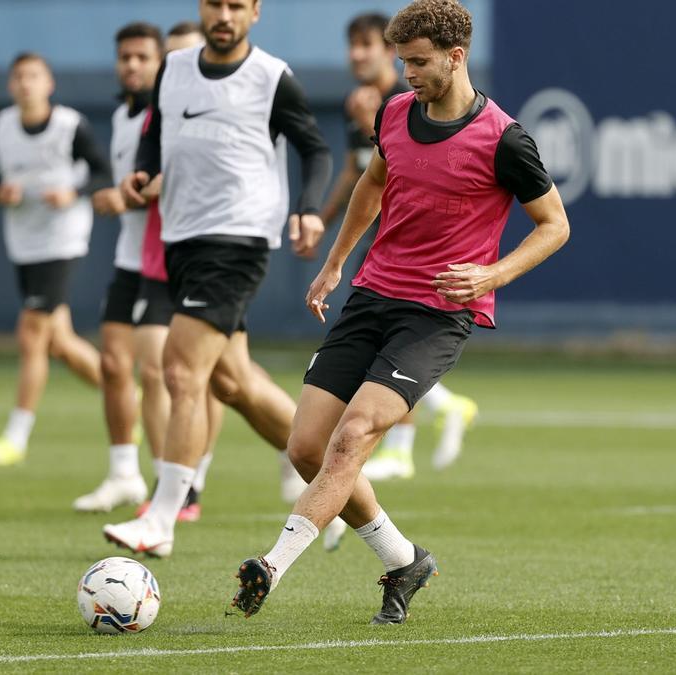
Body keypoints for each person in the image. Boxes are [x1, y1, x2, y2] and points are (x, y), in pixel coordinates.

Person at [230, 0, 570, 624]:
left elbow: (555, 225)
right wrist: (335, 263)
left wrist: (493, 273)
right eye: (402, 61)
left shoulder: (504, 139)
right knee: (307, 446)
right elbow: (372, 185)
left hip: (436, 315)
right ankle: (404, 558)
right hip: (370, 296)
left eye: (417, 62)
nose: (407, 73)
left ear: (455, 56)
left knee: (354, 436)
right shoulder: (393, 113)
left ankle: (272, 564)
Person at [102, 0, 333, 558]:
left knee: (181, 372)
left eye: (236, 5)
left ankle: (163, 517)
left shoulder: (271, 77)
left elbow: (315, 148)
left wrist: (307, 207)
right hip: (181, 241)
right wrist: (145, 171)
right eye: (215, 3)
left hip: (236, 241)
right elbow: (156, 132)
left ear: (255, 12)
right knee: (232, 384)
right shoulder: (173, 70)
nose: (224, 14)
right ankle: (334, 479)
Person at [319, 11, 479, 488]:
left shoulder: (410, 99)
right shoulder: (369, 106)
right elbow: (363, 175)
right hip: (377, 236)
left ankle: (410, 442)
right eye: (355, 45)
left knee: (392, 338)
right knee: (378, 341)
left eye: (367, 44)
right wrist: (327, 230)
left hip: (410, 242)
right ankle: (444, 409)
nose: (358, 55)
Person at [0, 52, 110, 468]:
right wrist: (2, 193)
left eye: (33, 76)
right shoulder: (1, 127)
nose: (25, 83)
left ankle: (16, 436)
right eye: (18, 77)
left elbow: (104, 174)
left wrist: (73, 193)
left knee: (32, 333)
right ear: (9, 85)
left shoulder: (69, 126)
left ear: (48, 84)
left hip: (62, 239)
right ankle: (126, 396)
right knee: (60, 343)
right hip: (24, 241)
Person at [72, 22, 178, 514]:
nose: (132, 65)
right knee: (114, 364)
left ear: (161, 62)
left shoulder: (167, 114)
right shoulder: (121, 116)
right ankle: (123, 474)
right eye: (125, 57)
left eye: (142, 57)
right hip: (127, 260)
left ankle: (171, 485)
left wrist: (122, 197)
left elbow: (166, 182)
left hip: (166, 261)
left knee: (170, 373)